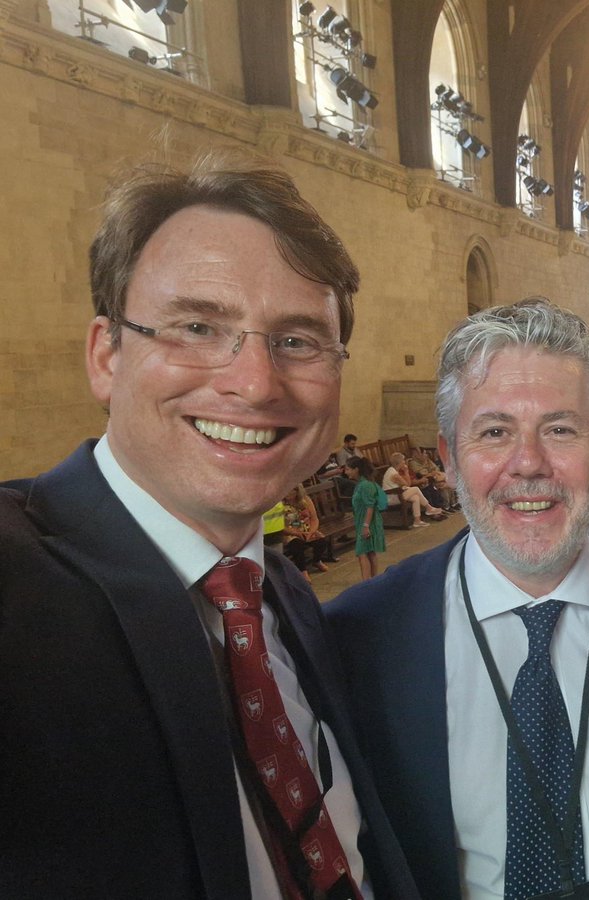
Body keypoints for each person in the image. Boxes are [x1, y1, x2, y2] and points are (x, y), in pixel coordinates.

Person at [0, 150, 418, 897]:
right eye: (196, 326)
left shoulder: (283, 597)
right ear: (105, 355)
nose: (255, 383)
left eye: (296, 340)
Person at [327, 299, 589, 899]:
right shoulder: (363, 631)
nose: (528, 464)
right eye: (495, 432)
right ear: (449, 460)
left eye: (560, 429)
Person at [347, 455, 389, 578]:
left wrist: (365, 526)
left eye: (348, 469)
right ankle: (373, 580)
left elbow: (369, 506)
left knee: (362, 553)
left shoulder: (365, 485)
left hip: (368, 522)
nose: (346, 471)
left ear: (356, 469)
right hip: (363, 521)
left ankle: (366, 583)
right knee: (370, 552)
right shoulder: (361, 484)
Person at [281, 483, 334, 575]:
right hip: (290, 532)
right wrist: (294, 532)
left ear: (297, 492)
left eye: (292, 491)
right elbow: (280, 526)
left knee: (321, 540)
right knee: (297, 545)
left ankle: (317, 560)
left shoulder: (305, 500)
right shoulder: (280, 504)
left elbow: (314, 519)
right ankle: (303, 570)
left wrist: (311, 531)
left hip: (306, 528)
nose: (288, 494)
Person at [381, 451, 446, 526]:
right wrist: (406, 471)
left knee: (415, 497)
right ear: (399, 462)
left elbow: (406, 484)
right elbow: (408, 484)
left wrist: (406, 472)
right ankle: (429, 508)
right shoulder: (394, 474)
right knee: (415, 489)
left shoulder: (393, 470)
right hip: (391, 497)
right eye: (403, 460)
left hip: (397, 494)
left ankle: (417, 521)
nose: (404, 462)